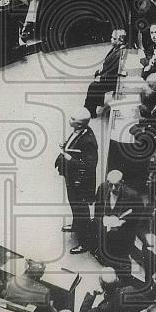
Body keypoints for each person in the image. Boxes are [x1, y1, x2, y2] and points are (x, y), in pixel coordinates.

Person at [55, 109, 98, 255]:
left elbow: (90, 165)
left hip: (80, 182)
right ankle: (75, 225)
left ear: (79, 125)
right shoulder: (79, 131)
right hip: (72, 177)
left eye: (73, 118)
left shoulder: (89, 140)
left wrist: (68, 158)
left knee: (81, 211)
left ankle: (85, 243)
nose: (70, 119)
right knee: (74, 205)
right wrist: (67, 146)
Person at [92, 169, 140, 274]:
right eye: (110, 185)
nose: (113, 189)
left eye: (116, 185)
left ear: (122, 182)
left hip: (122, 236)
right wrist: (103, 220)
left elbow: (137, 218)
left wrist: (123, 222)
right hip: (106, 232)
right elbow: (98, 211)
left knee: (121, 261)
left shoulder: (133, 196)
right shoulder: (102, 188)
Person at [84, 28, 127, 117]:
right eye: (112, 38)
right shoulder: (115, 48)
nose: (111, 40)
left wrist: (102, 77)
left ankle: (90, 110)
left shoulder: (120, 52)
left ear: (121, 41)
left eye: (114, 39)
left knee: (93, 86)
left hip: (113, 79)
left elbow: (114, 70)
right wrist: (101, 72)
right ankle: (93, 105)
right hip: (109, 76)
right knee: (95, 81)